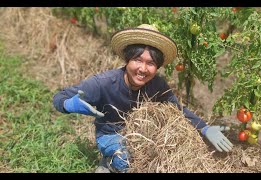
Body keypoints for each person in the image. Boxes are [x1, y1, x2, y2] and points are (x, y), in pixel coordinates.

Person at [53, 24, 233, 173]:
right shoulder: (104, 83)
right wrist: (69, 104)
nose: (143, 69)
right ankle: (108, 163)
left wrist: (204, 128)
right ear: (127, 60)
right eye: (138, 60)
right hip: (110, 135)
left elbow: (178, 110)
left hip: (143, 136)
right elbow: (59, 97)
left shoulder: (157, 85)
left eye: (151, 63)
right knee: (127, 162)